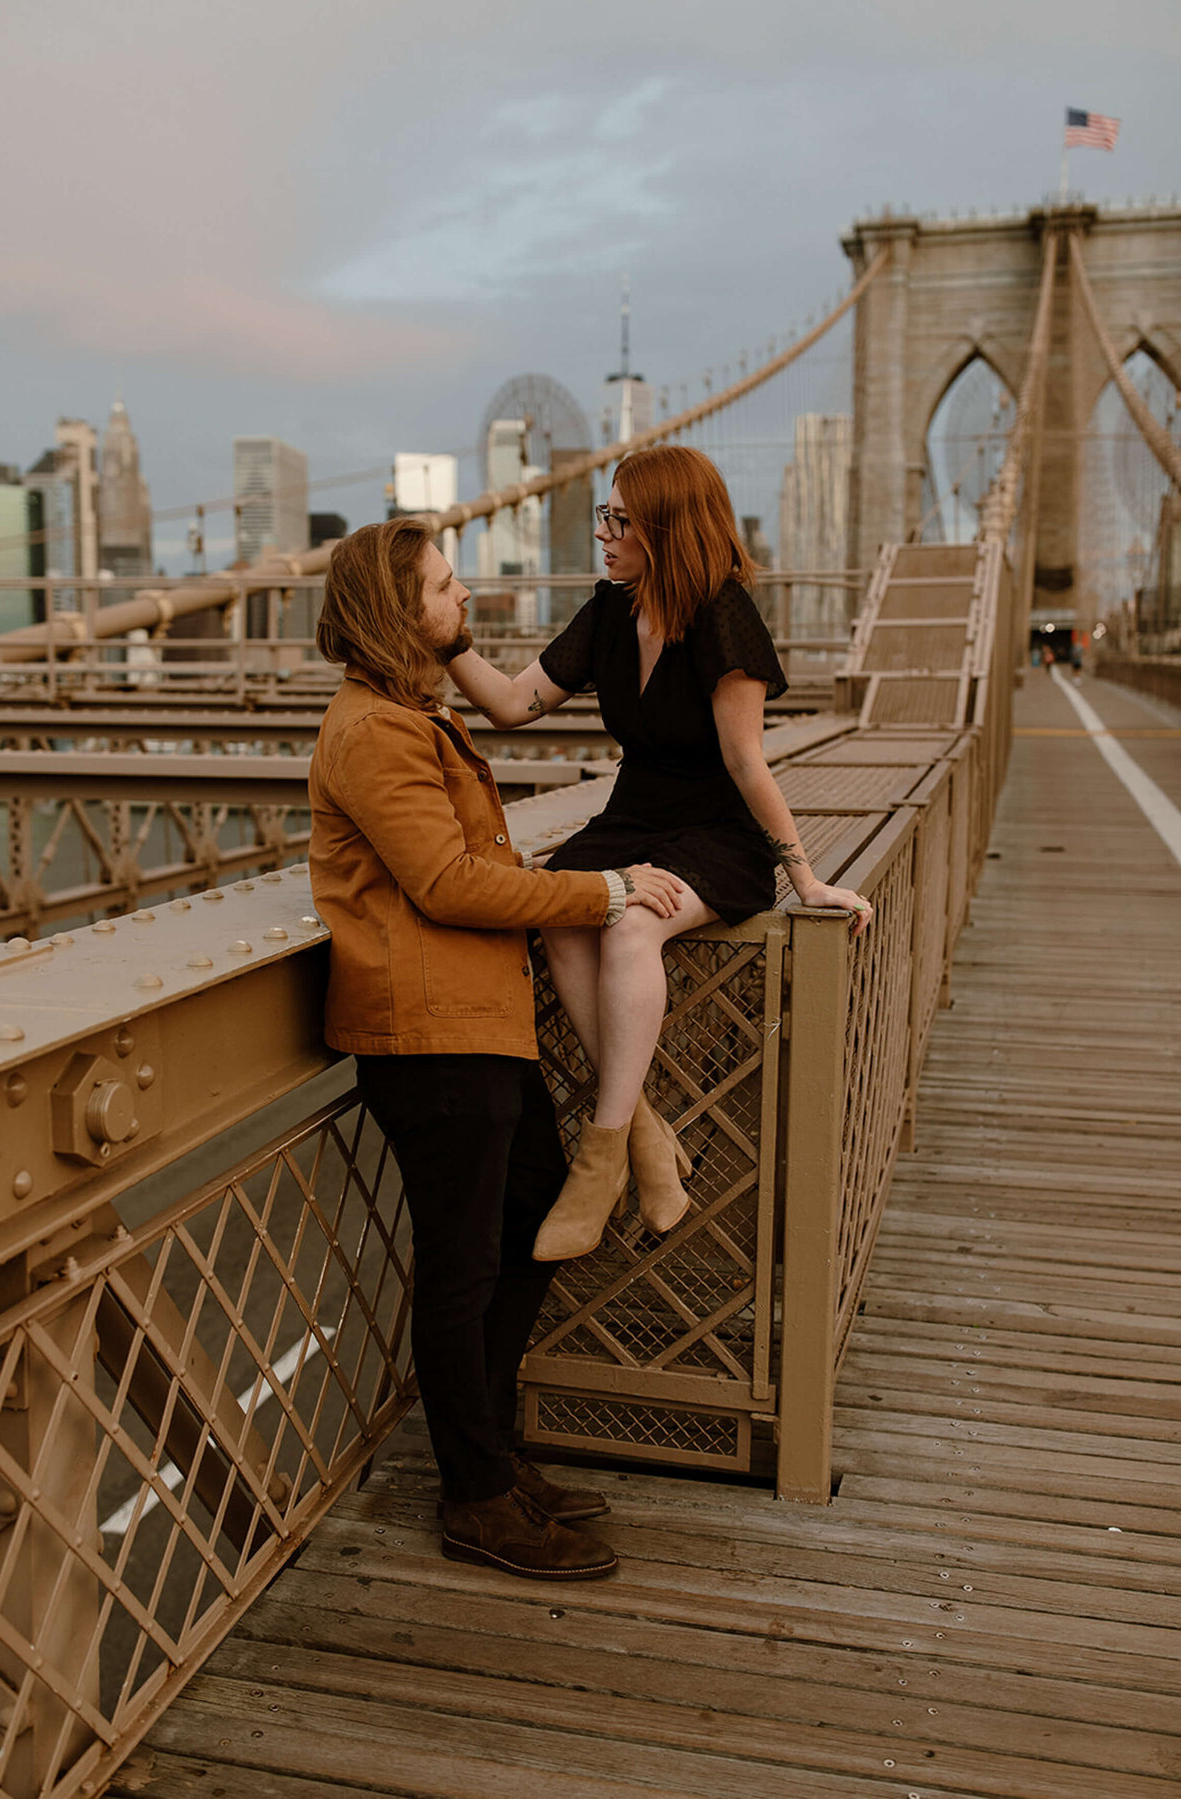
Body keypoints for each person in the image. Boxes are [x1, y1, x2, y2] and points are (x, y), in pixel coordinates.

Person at [308, 516, 685, 1581]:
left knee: (526, 1220)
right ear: (397, 611)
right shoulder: (377, 733)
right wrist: (603, 888)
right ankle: (476, 1494)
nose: (461, 591)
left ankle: (493, 1458)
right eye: (441, 584)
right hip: (427, 1035)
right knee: (464, 1267)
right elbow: (448, 884)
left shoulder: (406, 716)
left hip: (476, 1023)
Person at [445, 444, 873, 1264]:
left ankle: (598, 1163)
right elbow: (508, 703)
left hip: (715, 832)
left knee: (631, 926)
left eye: (619, 521)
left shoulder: (724, 616)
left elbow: (747, 763)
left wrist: (805, 876)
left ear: (666, 531)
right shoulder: (611, 609)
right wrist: (441, 638)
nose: (601, 534)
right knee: (563, 912)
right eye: (602, 517)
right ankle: (643, 1138)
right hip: (632, 816)